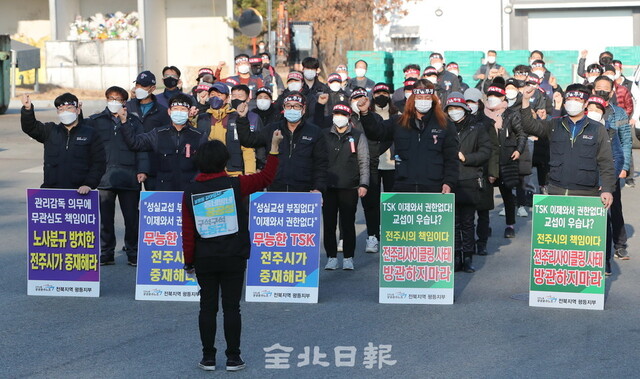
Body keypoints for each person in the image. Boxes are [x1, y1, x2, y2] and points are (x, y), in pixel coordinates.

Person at [182, 130, 283, 372]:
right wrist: (274, 148)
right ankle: (233, 357)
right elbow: (266, 177)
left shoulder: (191, 191)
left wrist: (189, 262)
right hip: (233, 255)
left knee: (207, 307)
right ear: (225, 161)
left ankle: (208, 357)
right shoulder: (235, 184)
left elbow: (187, 231)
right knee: (231, 307)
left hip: (205, 256)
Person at [520, 85, 615, 274]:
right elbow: (530, 126)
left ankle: (588, 273)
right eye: (569, 99)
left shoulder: (597, 129)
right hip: (557, 189)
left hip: (586, 192)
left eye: (578, 100)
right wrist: (524, 101)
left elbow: (605, 161)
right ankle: (559, 275)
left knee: (584, 238)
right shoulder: (554, 124)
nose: (573, 103)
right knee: (558, 239)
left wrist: (607, 189)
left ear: (586, 103)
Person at [359, 79, 459, 193]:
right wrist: (365, 113)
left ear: (433, 100)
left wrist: (449, 182)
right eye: (420, 98)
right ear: (413, 99)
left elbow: (451, 158)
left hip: (434, 186)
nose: (423, 101)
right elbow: (376, 132)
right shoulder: (399, 122)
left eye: (427, 98)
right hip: (404, 185)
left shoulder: (445, 124)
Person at [87, 86, 149, 267]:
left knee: (131, 219)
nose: (114, 102)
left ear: (124, 102)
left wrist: (143, 170)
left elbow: (142, 147)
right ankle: (106, 253)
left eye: (118, 99)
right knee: (106, 220)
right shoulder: (95, 121)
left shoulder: (134, 122)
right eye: (111, 98)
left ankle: (133, 252)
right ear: (106, 99)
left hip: (129, 177)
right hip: (104, 177)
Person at [236, 92, 328, 193]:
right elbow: (248, 140)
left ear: (303, 109)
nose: (292, 109)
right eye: (288, 106)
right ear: (284, 108)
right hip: (276, 188)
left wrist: (318, 188)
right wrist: (242, 118)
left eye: (297, 106)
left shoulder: (314, 132)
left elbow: (321, 164)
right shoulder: (272, 129)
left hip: (304, 190)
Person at [20, 92, 106, 193]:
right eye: (61, 109)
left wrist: (89, 184)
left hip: (80, 192)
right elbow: (31, 127)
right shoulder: (50, 131)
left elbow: (99, 163)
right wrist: (27, 109)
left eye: (69, 108)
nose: (65, 112)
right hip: (52, 191)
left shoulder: (90, 133)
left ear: (78, 110)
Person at [444, 93, 491, 272]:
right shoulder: (444, 127)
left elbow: (486, 152)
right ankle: (456, 256)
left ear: (464, 109)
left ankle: (468, 256)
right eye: (451, 109)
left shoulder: (477, 128)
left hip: (469, 179)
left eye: (457, 108)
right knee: (453, 223)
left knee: (468, 222)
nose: (454, 112)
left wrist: (467, 157)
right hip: (449, 180)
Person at [121, 94, 204, 191]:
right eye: (176, 109)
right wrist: (124, 122)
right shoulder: (158, 133)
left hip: (189, 189)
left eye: (183, 109)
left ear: (189, 112)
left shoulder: (199, 135)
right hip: (163, 191)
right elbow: (135, 143)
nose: (179, 112)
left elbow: (204, 165)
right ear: (169, 111)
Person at [322, 103, 370, 270]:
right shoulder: (324, 134)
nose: (339, 117)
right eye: (337, 113)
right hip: (328, 186)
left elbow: (364, 161)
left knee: (348, 223)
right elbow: (318, 161)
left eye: (343, 114)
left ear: (349, 117)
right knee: (328, 224)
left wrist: (364, 183)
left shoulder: (357, 135)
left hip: (349, 186)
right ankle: (331, 256)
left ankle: (348, 256)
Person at [592, 76, 632, 261]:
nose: (601, 91)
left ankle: (620, 244)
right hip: (591, 168)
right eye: (598, 88)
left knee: (614, 206)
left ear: (611, 92)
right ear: (593, 90)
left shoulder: (620, 114)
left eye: (605, 89)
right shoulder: (588, 111)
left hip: (613, 167)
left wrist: (624, 167)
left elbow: (626, 141)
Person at [482, 78, 526, 238]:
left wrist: (518, 150)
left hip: (506, 158)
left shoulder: (510, 114)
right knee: (485, 197)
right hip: (487, 160)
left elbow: (521, 133)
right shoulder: (483, 114)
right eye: (490, 95)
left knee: (507, 194)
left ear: (503, 98)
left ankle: (510, 225)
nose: (492, 98)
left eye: (496, 95)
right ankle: (484, 226)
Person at [195, 83, 258, 176]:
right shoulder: (201, 118)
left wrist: (250, 173)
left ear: (228, 98)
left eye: (219, 95)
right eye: (212, 95)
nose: (215, 98)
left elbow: (247, 148)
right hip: (208, 173)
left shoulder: (238, 118)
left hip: (233, 172)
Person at [465, 88, 499, 255]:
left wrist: (493, 172)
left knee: (483, 211)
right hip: (465, 172)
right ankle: (468, 242)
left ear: (480, 103)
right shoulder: (459, 122)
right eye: (467, 102)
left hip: (484, 172)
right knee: (467, 212)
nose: (470, 105)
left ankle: (482, 241)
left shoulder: (487, 123)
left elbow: (493, 149)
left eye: (473, 102)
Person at [126, 70, 171, 190]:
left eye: (143, 86)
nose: (139, 88)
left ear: (152, 88)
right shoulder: (128, 107)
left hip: (153, 163)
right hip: (131, 161)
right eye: (137, 85)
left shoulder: (162, 111)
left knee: (153, 200)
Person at [372, 83, 401, 193]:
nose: (381, 96)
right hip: (373, 164)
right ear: (373, 95)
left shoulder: (397, 114)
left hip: (392, 164)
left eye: (384, 93)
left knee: (391, 201)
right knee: (373, 202)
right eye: (378, 93)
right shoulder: (368, 114)